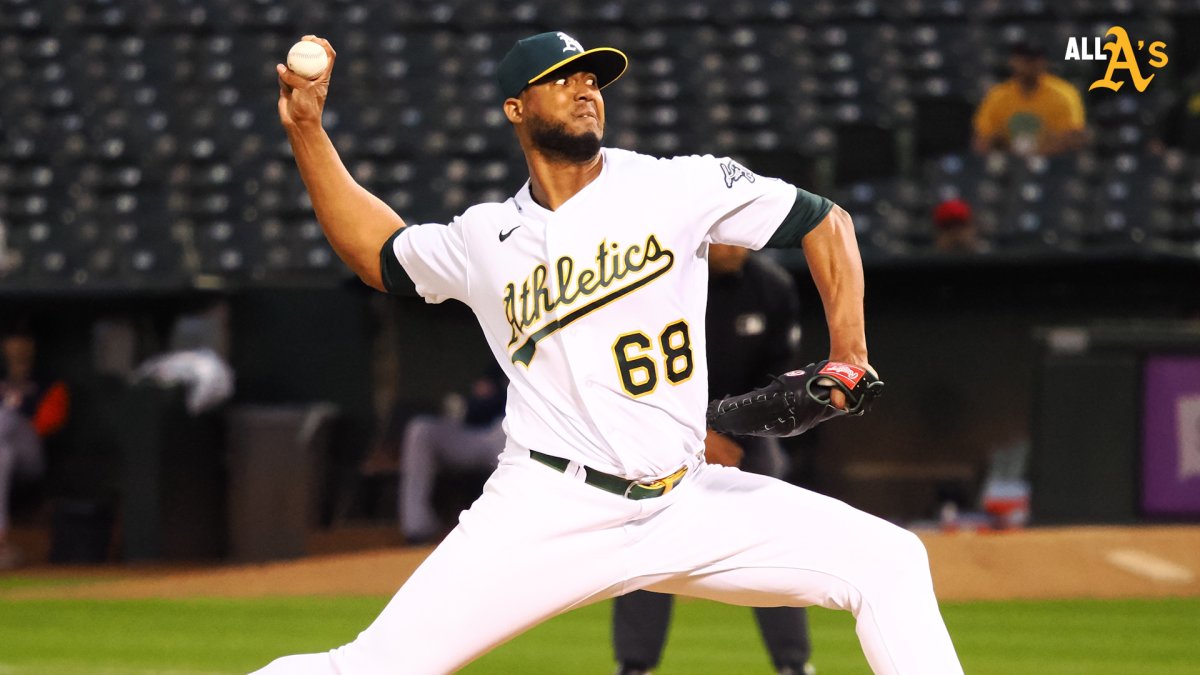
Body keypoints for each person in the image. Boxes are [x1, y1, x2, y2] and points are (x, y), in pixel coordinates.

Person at [258, 31, 962, 674]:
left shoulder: (675, 184)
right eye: (561, 78)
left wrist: (849, 351)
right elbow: (379, 253)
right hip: (547, 504)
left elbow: (824, 220)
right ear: (515, 107)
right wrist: (308, 130)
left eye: (592, 77)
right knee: (369, 667)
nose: (585, 87)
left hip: (683, 500)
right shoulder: (485, 239)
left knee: (891, 561)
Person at [611, 243, 813, 675]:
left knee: (771, 542)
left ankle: (794, 665)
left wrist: (728, 427)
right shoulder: (657, 279)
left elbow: (779, 381)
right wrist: (699, 434)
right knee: (650, 540)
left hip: (746, 433)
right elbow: (637, 376)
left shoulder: (771, 287)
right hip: (662, 429)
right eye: (729, 230)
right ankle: (634, 666)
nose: (741, 242)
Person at [398, 365, 507, 544]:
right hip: (478, 434)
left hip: (512, 432)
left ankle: (510, 529)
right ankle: (417, 527)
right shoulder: (498, 359)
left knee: (510, 431)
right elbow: (476, 407)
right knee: (420, 429)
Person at [0, 327, 70, 568]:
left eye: (24, 340)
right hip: (5, 457)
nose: (18, 346)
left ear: (33, 347)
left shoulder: (48, 383)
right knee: (2, 454)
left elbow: (48, 425)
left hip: (31, 458)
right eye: (13, 340)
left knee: (6, 418)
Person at [972, 42, 1087, 156]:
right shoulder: (998, 96)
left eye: (1035, 60)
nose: (1030, 65)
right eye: (1025, 60)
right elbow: (982, 139)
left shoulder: (1063, 94)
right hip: (1009, 161)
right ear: (1013, 61)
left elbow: (1074, 137)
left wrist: (1039, 151)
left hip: (1053, 162)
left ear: (1043, 62)